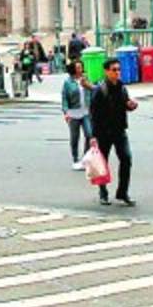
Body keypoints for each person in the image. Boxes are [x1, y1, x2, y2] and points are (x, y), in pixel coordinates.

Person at [89, 57, 138, 206]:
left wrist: (130, 105)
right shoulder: (100, 90)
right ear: (106, 71)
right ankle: (103, 191)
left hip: (119, 131)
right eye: (114, 70)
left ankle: (122, 192)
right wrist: (93, 136)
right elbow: (94, 115)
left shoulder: (122, 88)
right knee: (101, 163)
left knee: (126, 158)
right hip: (104, 132)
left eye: (118, 69)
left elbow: (125, 104)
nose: (117, 72)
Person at [61, 61, 93, 170]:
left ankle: (85, 159)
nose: (80, 69)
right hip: (73, 113)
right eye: (78, 67)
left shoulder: (86, 79)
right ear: (73, 69)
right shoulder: (68, 82)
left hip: (86, 112)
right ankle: (75, 159)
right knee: (75, 137)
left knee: (89, 134)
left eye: (81, 67)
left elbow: (93, 91)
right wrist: (66, 113)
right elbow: (65, 99)